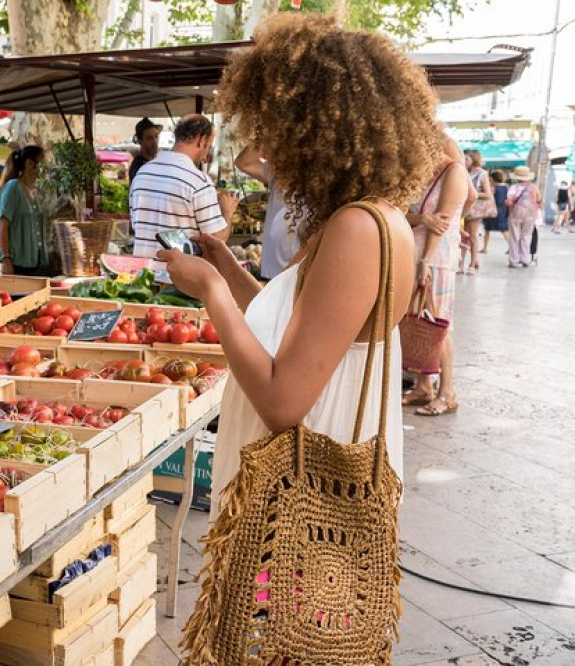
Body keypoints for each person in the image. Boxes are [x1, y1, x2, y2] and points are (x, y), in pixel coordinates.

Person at [160, 14, 445, 536]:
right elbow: (290, 326)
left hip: (307, 505)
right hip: (307, 490)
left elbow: (282, 401)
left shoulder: (357, 230)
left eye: (277, 129)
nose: (267, 150)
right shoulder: (364, 217)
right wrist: (226, 268)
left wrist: (211, 291)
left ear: (320, 132)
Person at [402, 146, 470, 416]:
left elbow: (441, 222)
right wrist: (422, 219)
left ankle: (447, 392)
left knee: (437, 324)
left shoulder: (454, 172)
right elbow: (400, 211)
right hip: (417, 254)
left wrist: (425, 262)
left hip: (435, 259)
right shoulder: (422, 174)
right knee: (419, 320)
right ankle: (423, 385)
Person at [129, 114, 235, 259]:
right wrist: (227, 212)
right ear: (201, 140)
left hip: (144, 274)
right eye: (208, 147)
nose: (205, 156)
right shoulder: (199, 181)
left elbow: (137, 225)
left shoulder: (142, 173)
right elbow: (216, 241)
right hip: (180, 277)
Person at [234, 144, 303, 279]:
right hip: (272, 272)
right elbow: (244, 162)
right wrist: (265, 135)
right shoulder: (278, 174)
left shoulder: (322, 183)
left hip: (295, 274)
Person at [0, 146, 50, 276]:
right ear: (29, 164)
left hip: (37, 264)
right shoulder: (13, 187)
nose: (45, 168)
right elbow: (3, 224)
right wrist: (6, 259)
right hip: (18, 264)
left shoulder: (34, 191)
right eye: (42, 163)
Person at [462, 150, 493, 273]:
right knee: (463, 237)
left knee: (472, 236)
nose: (465, 161)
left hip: (475, 210)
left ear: (473, 159)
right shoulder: (465, 172)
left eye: (467, 159)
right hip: (464, 208)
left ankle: (472, 263)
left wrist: (472, 193)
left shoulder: (482, 174)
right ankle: (461, 263)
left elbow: (488, 194)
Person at [506, 166, 540, 267]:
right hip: (530, 214)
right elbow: (538, 200)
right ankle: (525, 259)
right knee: (526, 236)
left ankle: (514, 260)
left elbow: (509, 201)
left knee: (514, 236)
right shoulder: (534, 187)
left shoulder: (514, 187)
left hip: (515, 214)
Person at [482, 170, 510, 253]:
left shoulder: (493, 188)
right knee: (504, 230)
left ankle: (485, 248)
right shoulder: (507, 187)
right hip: (503, 209)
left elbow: (489, 198)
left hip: (493, 209)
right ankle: (511, 247)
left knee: (487, 229)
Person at [128, 117, 161, 185]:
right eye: (149, 138)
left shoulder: (154, 161)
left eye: (156, 136)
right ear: (140, 141)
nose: (155, 142)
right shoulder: (138, 167)